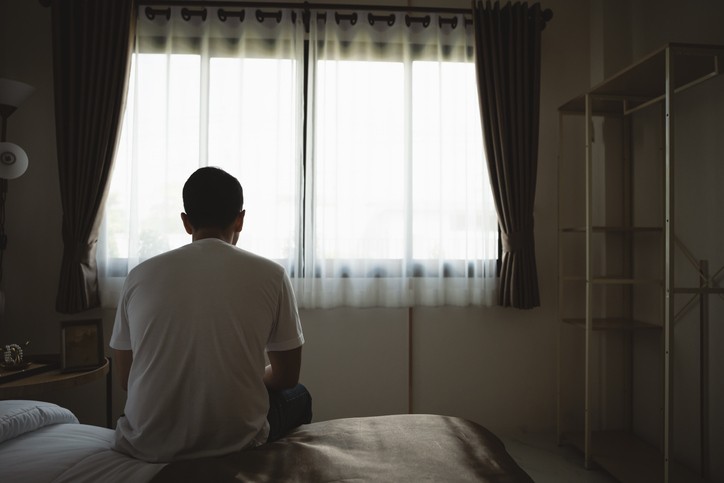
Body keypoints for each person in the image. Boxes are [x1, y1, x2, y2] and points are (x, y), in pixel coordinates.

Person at [109, 166, 311, 463]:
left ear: (186, 222)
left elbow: (127, 379)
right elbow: (287, 377)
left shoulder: (139, 275)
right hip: (237, 440)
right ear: (240, 219)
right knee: (300, 395)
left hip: (148, 443)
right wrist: (239, 379)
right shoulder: (271, 275)